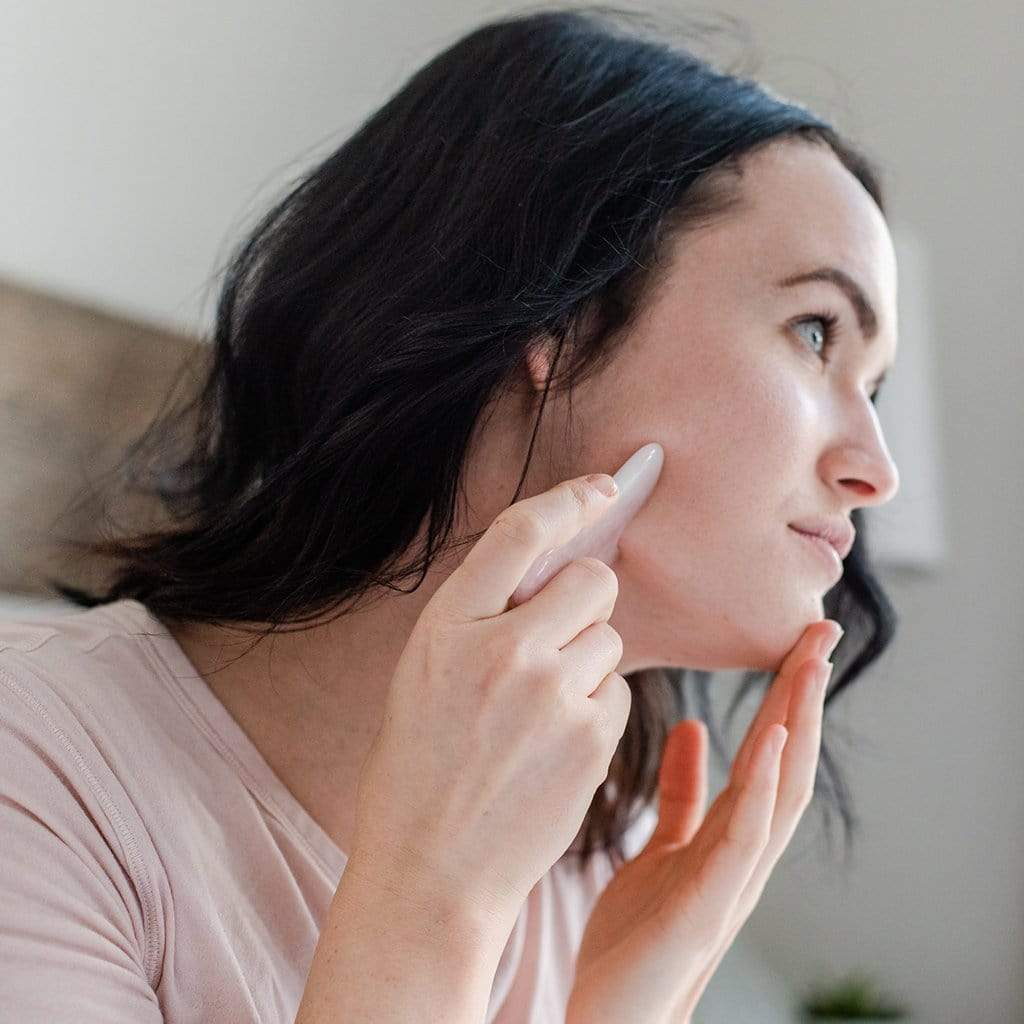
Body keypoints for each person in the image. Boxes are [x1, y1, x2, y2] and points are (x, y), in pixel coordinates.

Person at [0, 6, 900, 1022]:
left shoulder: (596, 867)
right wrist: (432, 906)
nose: (877, 469)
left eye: (876, 385)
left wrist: (622, 1006)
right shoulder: (35, 774)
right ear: (555, 316)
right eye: (816, 331)